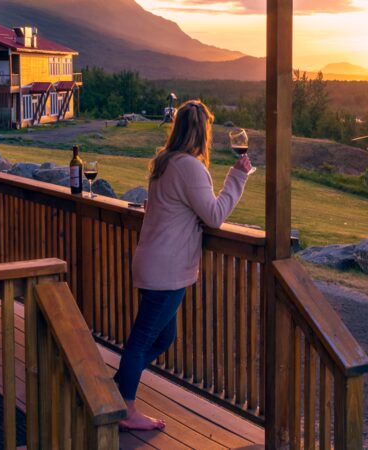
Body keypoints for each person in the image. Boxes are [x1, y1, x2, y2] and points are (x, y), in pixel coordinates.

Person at [114, 100, 253, 431]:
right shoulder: (188, 166)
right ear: (203, 131)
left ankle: (116, 388)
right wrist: (238, 176)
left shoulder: (165, 161)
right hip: (167, 269)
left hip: (154, 262)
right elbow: (215, 216)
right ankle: (124, 409)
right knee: (143, 339)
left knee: (162, 339)